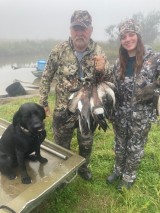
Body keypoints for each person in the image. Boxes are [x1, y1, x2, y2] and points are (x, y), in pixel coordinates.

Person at [39, 10, 110, 181]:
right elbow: (46, 76)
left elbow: (107, 81)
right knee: (61, 145)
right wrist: (43, 101)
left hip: (87, 110)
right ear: (70, 30)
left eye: (83, 29)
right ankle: (62, 173)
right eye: (76, 28)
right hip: (64, 109)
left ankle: (83, 168)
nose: (79, 33)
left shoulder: (98, 51)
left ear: (90, 30)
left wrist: (103, 69)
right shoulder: (59, 50)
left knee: (86, 142)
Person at [107, 19, 160, 190]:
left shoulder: (154, 58)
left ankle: (129, 176)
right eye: (123, 37)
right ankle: (118, 170)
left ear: (138, 36)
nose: (128, 39)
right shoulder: (118, 63)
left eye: (131, 35)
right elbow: (112, 86)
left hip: (141, 115)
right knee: (120, 143)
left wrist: (155, 88)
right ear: (121, 40)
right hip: (120, 113)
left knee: (135, 146)